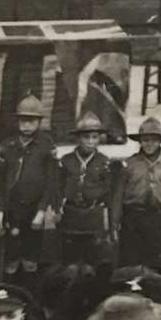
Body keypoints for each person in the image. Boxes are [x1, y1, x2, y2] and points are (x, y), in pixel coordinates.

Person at [0, 95, 57, 280]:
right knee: (11, 258)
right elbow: (0, 181)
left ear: (39, 122)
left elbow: (50, 181)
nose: (27, 125)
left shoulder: (46, 145)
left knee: (31, 258)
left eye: (32, 121)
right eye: (23, 120)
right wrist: (0, 210)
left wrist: (41, 210)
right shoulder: (8, 145)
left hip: (34, 209)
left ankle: (31, 297)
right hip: (12, 209)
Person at [113, 117, 161, 271]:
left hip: (157, 218)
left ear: (160, 142)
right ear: (140, 141)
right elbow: (118, 196)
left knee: (153, 262)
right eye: (145, 140)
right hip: (133, 219)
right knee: (130, 261)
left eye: (154, 140)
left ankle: (150, 292)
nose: (149, 144)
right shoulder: (129, 165)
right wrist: (114, 224)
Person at [57, 114, 116, 268]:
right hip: (71, 216)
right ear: (78, 138)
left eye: (95, 137)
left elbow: (109, 194)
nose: (90, 142)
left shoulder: (104, 162)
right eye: (86, 137)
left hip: (93, 217)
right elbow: (58, 187)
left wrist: (111, 224)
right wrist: (57, 209)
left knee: (92, 264)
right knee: (69, 264)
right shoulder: (66, 160)